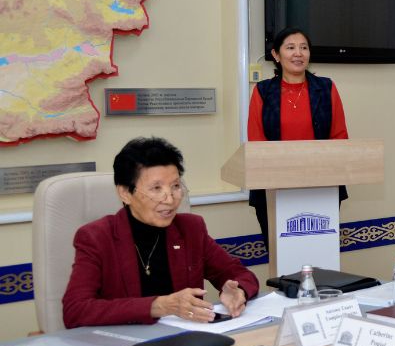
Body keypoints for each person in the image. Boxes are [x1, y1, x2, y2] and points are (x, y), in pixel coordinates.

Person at [63, 137, 260, 328]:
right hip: (124, 343)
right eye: (156, 188)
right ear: (125, 193)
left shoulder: (190, 229)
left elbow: (239, 274)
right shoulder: (96, 237)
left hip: (187, 339)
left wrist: (238, 290)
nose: (170, 199)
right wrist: (159, 306)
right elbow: (75, 310)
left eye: (175, 186)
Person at [247, 26, 348, 243]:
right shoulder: (263, 91)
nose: (298, 53)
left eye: (303, 48)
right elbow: (257, 143)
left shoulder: (326, 88)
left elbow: (340, 138)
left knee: (318, 252)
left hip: (321, 188)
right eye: (290, 47)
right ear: (276, 55)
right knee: (281, 253)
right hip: (274, 189)